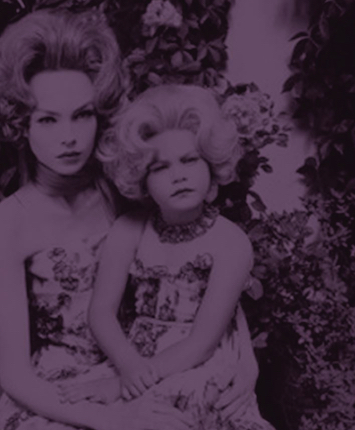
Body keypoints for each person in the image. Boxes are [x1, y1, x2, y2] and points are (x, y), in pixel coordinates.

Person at [0, 9, 194, 430]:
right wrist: (114, 420)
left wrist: (244, 362)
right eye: (48, 119)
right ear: (20, 124)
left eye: (82, 115)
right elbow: (15, 376)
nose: (69, 137)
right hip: (56, 393)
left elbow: (200, 257)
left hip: (138, 368)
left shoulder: (123, 188)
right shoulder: (8, 222)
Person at [60, 84, 275, 429]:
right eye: (160, 167)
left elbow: (202, 344)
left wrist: (127, 383)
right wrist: (128, 367)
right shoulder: (129, 230)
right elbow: (100, 313)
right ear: (141, 179)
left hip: (198, 364)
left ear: (212, 165)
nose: (179, 176)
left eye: (190, 160)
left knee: (169, 411)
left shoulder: (230, 243)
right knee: (73, 411)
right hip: (132, 357)